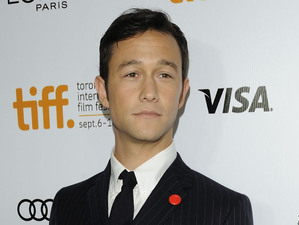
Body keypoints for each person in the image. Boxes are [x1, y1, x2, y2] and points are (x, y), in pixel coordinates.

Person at [49, 8, 253, 225]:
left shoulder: (222, 209)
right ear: (103, 91)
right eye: (132, 74)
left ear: (182, 94)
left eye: (164, 75)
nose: (149, 93)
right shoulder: (68, 204)